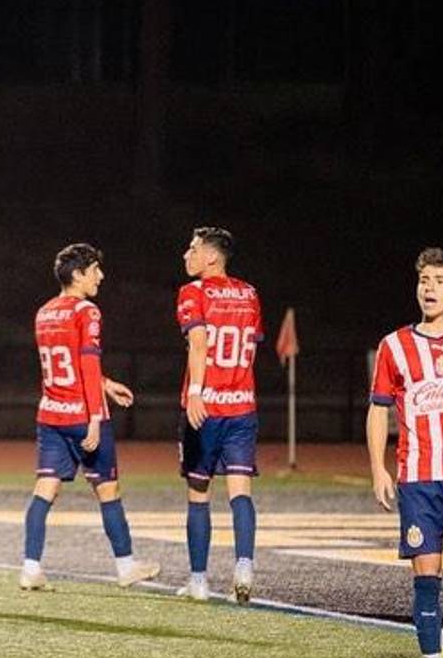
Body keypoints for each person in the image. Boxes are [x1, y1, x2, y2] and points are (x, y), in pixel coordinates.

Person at [21, 243, 160, 591]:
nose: (101, 276)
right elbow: (85, 364)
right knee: (108, 489)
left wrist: (106, 384)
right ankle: (126, 566)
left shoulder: (44, 312)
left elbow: (67, 364)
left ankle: (30, 567)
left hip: (51, 414)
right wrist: (96, 417)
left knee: (45, 489)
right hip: (83, 416)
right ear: (78, 274)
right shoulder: (88, 311)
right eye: (95, 270)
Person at [369, 247, 443, 658]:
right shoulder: (394, 346)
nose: (429, 288)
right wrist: (377, 467)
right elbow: (378, 409)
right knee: (428, 578)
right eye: (424, 280)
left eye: (440, 280)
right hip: (418, 480)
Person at [174, 227, 264, 604]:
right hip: (243, 405)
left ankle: (199, 580)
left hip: (206, 407)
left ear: (211, 257)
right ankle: (244, 564)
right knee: (240, 491)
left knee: (199, 493)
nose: (186, 254)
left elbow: (199, 343)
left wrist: (197, 391)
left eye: (193, 248)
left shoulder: (192, 292)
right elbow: (252, 348)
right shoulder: (250, 293)